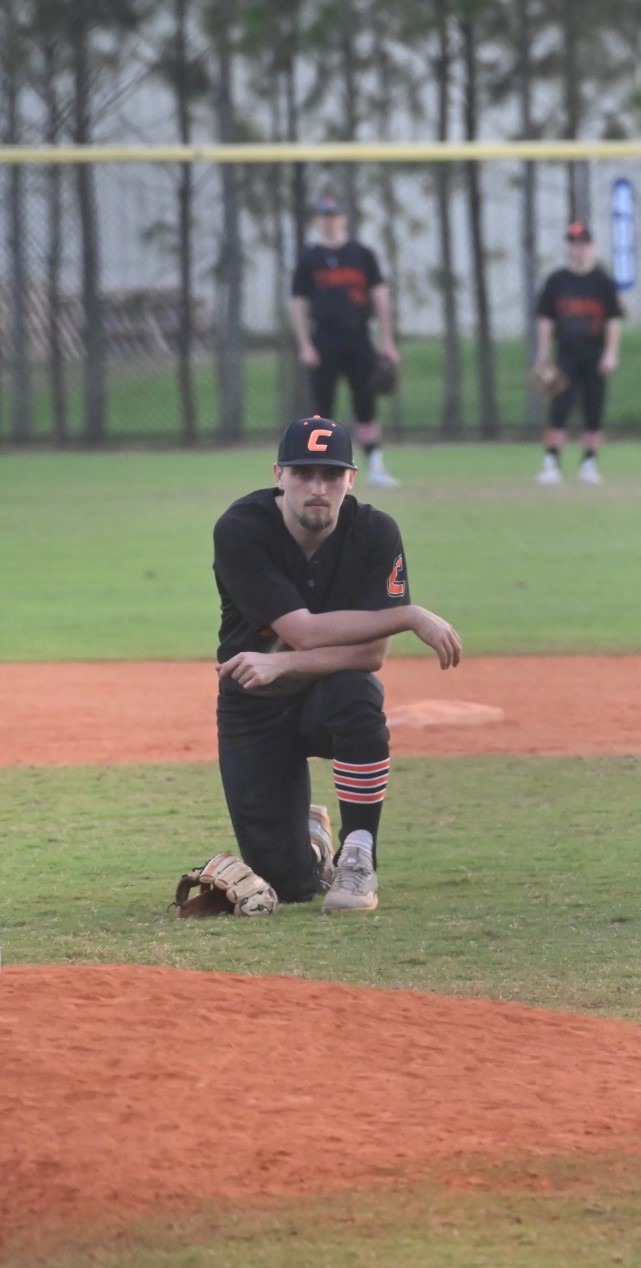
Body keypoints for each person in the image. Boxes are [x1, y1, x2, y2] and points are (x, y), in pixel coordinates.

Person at [212, 417, 463, 914]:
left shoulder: (374, 532)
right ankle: (313, 844)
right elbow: (301, 629)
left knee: (357, 693)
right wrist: (409, 615)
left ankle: (358, 853)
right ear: (278, 475)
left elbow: (373, 655)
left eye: (331, 475)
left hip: (323, 694)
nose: (317, 488)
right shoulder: (242, 529)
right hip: (254, 708)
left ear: (351, 480)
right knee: (289, 883)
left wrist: (284, 666)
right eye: (304, 474)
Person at [289, 195, 402, 487]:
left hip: (358, 337)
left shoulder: (362, 254)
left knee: (366, 404)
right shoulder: (309, 257)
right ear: (318, 220)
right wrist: (304, 344)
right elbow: (298, 302)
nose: (330, 220)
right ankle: (321, 472)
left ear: (344, 218)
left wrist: (387, 341)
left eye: (334, 215)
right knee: (321, 412)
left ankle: (375, 466)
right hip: (323, 338)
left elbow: (380, 297)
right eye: (324, 215)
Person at [533, 221, 624, 485]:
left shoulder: (603, 282)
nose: (579, 249)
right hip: (566, 354)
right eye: (574, 243)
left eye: (583, 243)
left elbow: (613, 321)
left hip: (595, 353)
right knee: (559, 408)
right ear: (567, 247)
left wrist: (611, 353)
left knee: (593, 410)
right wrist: (543, 355)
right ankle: (551, 462)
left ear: (592, 247)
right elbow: (546, 321)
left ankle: (590, 463)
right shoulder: (556, 281)